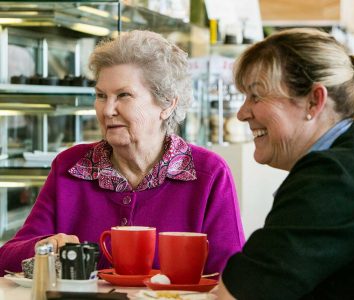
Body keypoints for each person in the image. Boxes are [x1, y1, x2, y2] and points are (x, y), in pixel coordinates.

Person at [214, 28, 354, 299]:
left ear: (314, 101)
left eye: (256, 96)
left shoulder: (333, 177)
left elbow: (239, 294)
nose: (242, 113)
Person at [0, 30, 245, 276]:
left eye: (124, 95)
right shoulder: (70, 167)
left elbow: (233, 277)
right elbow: (6, 260)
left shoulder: (208, 174)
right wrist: (44, 247)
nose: (107, 110)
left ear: (167, 103)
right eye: (100, 96)